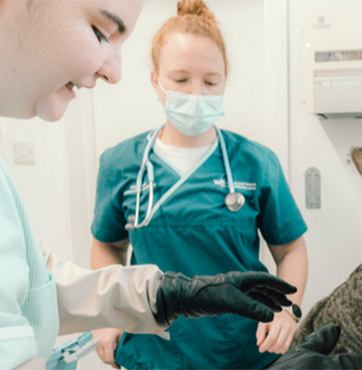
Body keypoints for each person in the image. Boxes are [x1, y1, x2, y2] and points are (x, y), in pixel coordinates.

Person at [0, 0, 296, 368]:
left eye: (210, 80)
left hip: (237, 349)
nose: (114, 72)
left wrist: (168, 295)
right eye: (100, 32)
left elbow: (29, 285)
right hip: (157, 354)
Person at [89, 1, 309, 368]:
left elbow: (291, 251)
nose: (196, 94)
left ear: (225, 81)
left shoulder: (256, 162)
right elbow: (108, 247)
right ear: (155, 81)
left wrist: (288, 311)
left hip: (241, 347)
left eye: (210, 81)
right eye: (180, 79)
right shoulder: (121, 164)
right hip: (154, 347)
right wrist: (106, 317)